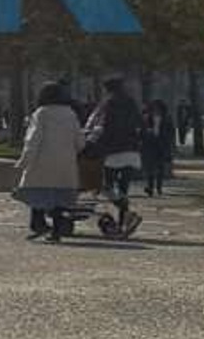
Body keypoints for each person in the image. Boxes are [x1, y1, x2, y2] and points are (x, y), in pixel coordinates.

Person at [14, 82, 85, 241]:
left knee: (37, 194)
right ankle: (56, 231)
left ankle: (38, 224)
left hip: (42, 161)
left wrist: (25, 160)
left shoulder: (41, 113)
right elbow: (80, 141)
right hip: (65, 163)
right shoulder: (70, 113)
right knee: (59, 198)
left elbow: (33, 139)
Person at [87, 77, 143, 236]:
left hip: (113, 152)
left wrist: (94, 143)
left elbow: (100, 126)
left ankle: (126, 215)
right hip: (131, 151)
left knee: (106, 186)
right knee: (124, 188)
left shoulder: (108, 104)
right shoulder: (131, 103)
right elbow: (140, 123)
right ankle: (123, 221)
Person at [140, 100, 175, 197]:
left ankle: (159, 187)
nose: (156, 111)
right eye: (154, 109)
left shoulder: (167, 119)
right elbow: (141, 131)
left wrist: (170, 144)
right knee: (150, 167)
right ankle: (150, 187)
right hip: (150, 145)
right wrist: (146, 134)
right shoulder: (146, 118)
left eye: (158, 109)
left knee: (160, 167)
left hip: (162, 145)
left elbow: (171, 133)